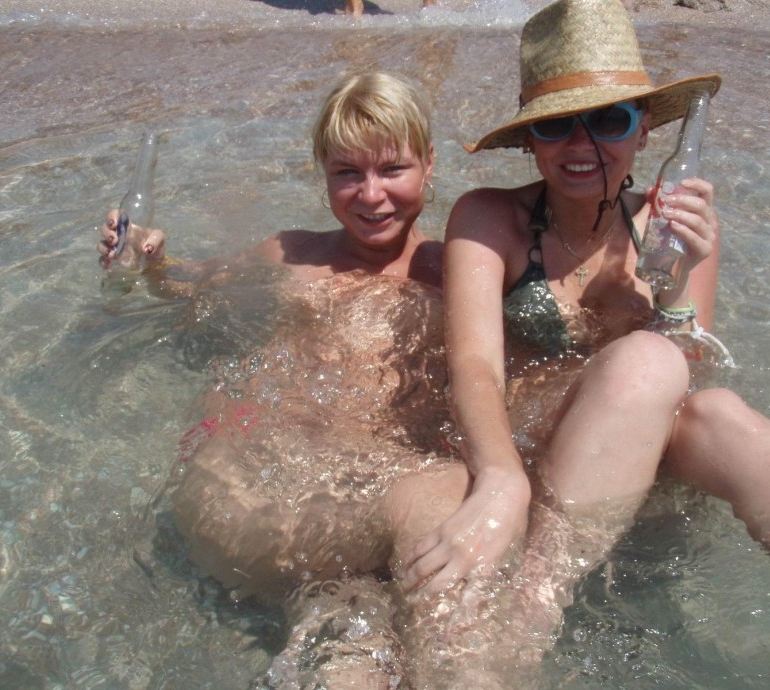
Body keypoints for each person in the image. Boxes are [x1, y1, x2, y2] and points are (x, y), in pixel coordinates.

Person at [399, 0, 770, 639]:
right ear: (531, 142)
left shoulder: (674, 227)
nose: (582, 145)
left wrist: (678, 280)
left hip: (629, 449)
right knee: (655, 364)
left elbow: (690, 365)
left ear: (644, 128)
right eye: (557, 126)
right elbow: (474, 361)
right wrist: (500, 478)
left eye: (608, 119)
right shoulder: (491, 219)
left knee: (717, 412)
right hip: (529, 444)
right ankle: (532, 610)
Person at [98, 71, 483, 689]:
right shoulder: (289, 254)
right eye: (347, 172)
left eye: (393, 169)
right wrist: (150, 258)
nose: (371, 194)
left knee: (354, 647)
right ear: (322, 173)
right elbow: (185, 286)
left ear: (430, 165)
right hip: (254, 487)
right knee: (449, 492)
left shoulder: (458, 272)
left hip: (365, 517)